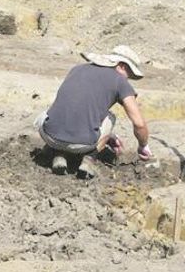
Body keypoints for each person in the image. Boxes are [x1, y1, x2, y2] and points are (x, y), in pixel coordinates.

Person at [35, 45, 152, 178]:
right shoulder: (119, 81)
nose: (128, 79)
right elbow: (139, 124)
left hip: (49, 136)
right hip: (83, 144)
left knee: (57, 111)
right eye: (129, 75)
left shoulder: (77, 69)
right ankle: (89, 159)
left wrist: (110, 136)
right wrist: (143, 146)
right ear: (122, 66)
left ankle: (58, 154)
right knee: (111, 117)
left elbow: (74, 108)